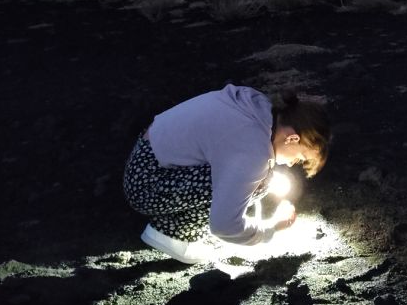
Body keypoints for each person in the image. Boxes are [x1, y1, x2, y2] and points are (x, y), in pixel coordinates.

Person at [123, 84, 329, 263]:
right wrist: (271, 228)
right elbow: (225, 226)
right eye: (300, 157)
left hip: (148, 156)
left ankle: (174, 225)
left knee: (255, 177)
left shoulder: (256, 107)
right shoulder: (253, 150)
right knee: (262, 182)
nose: (293, 164)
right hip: (145, 185)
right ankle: (173, 235)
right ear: (292, 138)